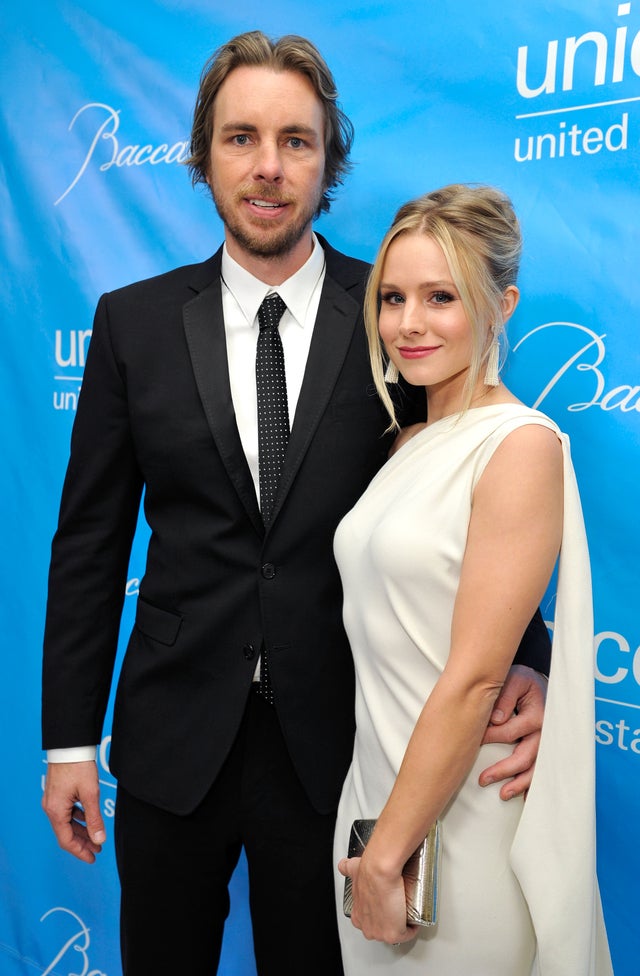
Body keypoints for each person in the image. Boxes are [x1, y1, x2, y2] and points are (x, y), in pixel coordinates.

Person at [41, 33, 550, 976]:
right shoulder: (132, 323)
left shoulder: (397, 310)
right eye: (241, 138)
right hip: (170, 740)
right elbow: (89, 547)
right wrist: (69, 741)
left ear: (330, 161)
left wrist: (530, 657)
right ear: (203, 156)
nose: (268, 168)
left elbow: (470, 486)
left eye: (297, 141)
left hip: (344, 744)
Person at [334, 184, 612, 975]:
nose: (409, 323)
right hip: (375, 804)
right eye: (392, 298)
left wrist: (388, 858)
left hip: (460, 825)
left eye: (441, 297)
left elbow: (475, 675)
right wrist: (378, 841)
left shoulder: (520, 444)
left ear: (501, 305)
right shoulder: (402, 443)